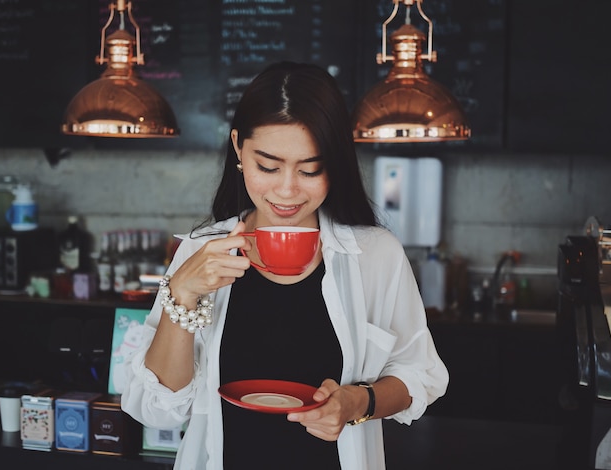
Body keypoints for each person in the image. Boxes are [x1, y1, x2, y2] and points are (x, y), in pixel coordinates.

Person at [121, 61, 449, 470]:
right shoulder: (201, 254)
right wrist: (181, 295)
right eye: (268, 166)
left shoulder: (375, 255)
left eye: (311, 169)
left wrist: (357, 402)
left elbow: (421, 373)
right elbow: (157, 409)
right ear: (238, 148)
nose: (288, 190)